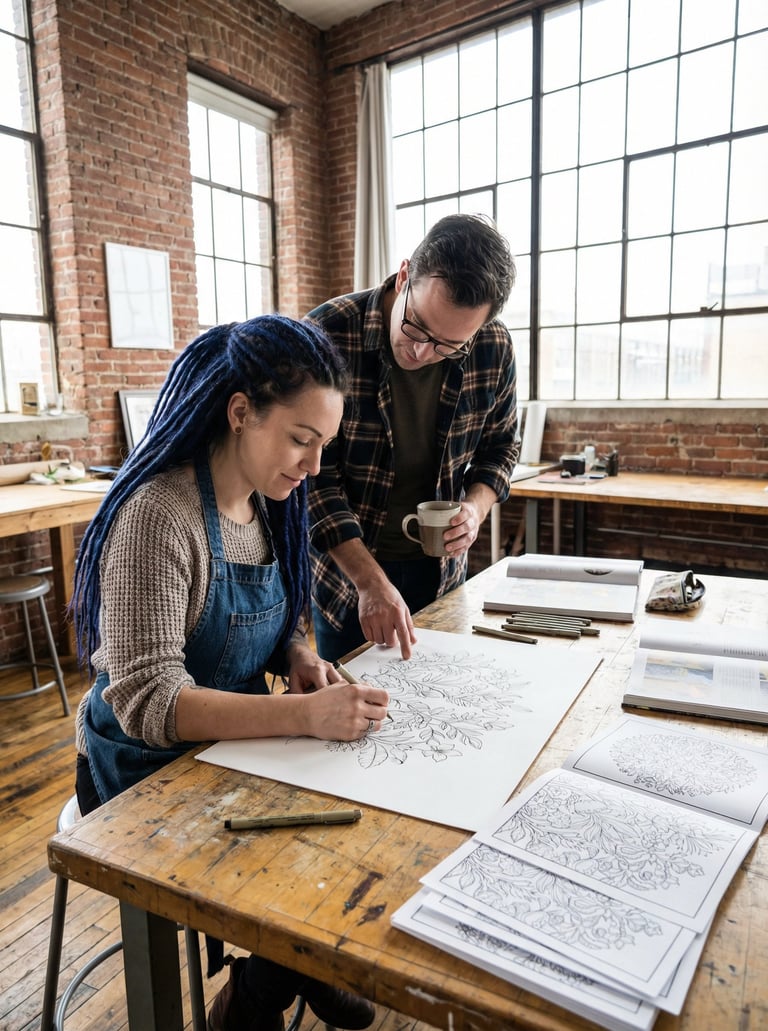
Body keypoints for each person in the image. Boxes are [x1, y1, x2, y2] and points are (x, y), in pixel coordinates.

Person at [70, 316, 388, 1031]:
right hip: (141, 767)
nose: (312, 466)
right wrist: (300, 716)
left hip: (226, 746)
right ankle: (269, 985)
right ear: (241, 412)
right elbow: (149, 702)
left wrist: (299, 655)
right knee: (305, 842)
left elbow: (284, 618)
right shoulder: (160, 513)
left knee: (355, 812)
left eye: (322, 447)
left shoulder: (272, 500)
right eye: (301, 440)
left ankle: (285, 965)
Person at [306, 213, 519, 663]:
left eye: (448, 345)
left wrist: (475, 510)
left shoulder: (493, 347)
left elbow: (501, 447)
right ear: (405, 276)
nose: (423, 353)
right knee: (350, 715)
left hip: (442, 574)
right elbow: (312, 479)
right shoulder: (327, 334)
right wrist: (370, 581)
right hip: (347, 576)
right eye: (417, 326)